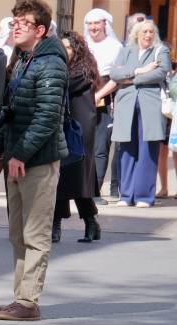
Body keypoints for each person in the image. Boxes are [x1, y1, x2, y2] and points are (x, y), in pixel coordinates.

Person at [0, 0, 67, 322]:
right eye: (14, 20)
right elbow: (14, 113)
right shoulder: (24, 59)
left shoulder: (51, 63)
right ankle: (21, 298)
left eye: (24, 22)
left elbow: (47, 116)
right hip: (19, 157)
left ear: (41, 30)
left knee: (35, 234)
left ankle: (28, 301)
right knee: (18, 234)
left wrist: (20, 154)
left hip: (38, 160)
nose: (16, 25)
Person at [103, 21, 171, 208]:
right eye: (144, 31)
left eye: (151, 31)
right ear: (137, 33)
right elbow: (115, 75)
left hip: (151, 105)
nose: (147, 34)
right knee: (126, 149)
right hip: (126, 105)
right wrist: (138, 71)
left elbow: (161, 72)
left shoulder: (160, 50)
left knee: (147, 149)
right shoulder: (127, 50)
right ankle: (126, 195)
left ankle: (143, 196)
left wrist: (131, 79)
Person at [54, 31, 101, 244]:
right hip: (63, 126)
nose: (64, 51)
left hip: (80, 129)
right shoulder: (62, 68)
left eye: (68, 47)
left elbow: (65, 85)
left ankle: (90, 222)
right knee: (59, 177)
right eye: (61, 47)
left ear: (77, 50)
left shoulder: (83, 70)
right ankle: (55, 225)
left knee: (78, 178)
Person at [84, 9, 123, 203]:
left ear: (105, 25)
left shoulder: (115, 47)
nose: (93, 28)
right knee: (81, 146)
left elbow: (116, 78)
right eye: (90, 24)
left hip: (104, 100)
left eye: (97, 23)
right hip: (81, 99)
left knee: (100, 147)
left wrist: (98, 94)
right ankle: (79, 189)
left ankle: (95, 191)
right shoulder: (83, 45)